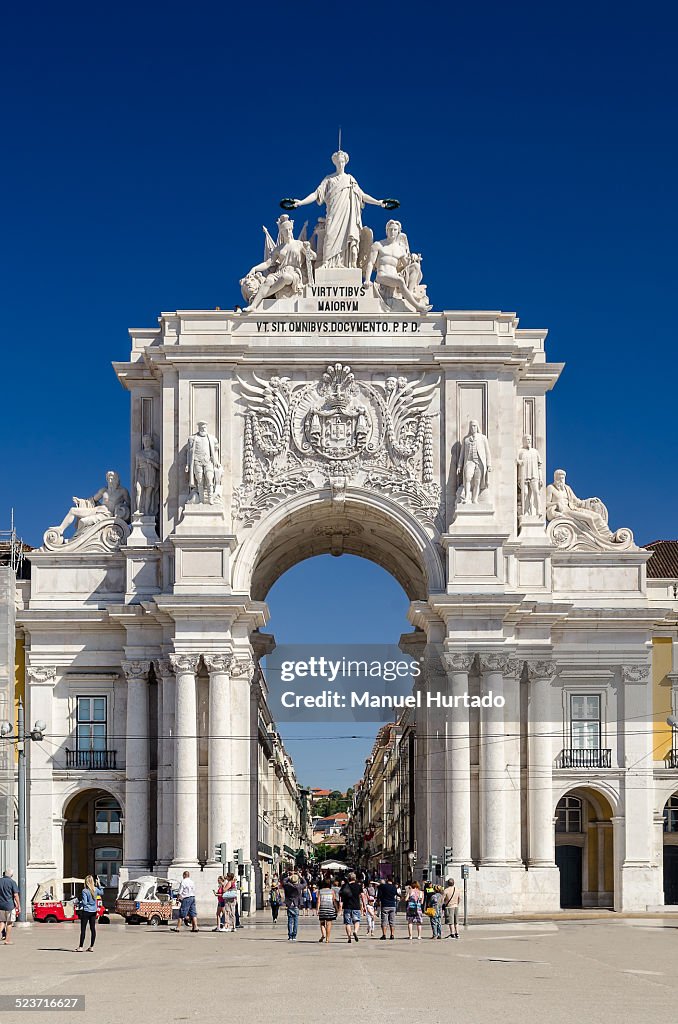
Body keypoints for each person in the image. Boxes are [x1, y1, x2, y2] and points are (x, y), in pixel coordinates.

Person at [288, 150, 390, 269]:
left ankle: (346, 264)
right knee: (330, 234)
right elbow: (316, 194)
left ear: (345, 163)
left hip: (347, 215)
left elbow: (362, 195)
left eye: (342, 161)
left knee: (348, 237)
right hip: (334, 213)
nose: (340, 164)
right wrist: (300, 202)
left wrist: (378, 202)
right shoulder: (329, 179)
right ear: (335, 163)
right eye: (338, 162)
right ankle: (327, 263)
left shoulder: (350, 179)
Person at [243, 215, 316, 310]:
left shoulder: (299, 244)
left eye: (289, 229)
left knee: (285, 277)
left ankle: (264, 295)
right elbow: (267, 263)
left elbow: (314, 257)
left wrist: (308, 249)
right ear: (281, 232)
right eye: (285, 230)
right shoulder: (278, 249)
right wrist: (254, 268)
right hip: (280, 271)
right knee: (268, 280)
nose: (288, 232)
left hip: (294, 272)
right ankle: (253, 306)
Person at [363, 219, 431, 312]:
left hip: (395, 276)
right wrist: (367, 280)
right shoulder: (378, 245)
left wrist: (414, 258)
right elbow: (370, 263)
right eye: (390, 229)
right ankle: (418, 306)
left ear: (398, 232)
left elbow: (407, 265)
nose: (392, 232)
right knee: (400, 281)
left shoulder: (400, 249)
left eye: (395, 230)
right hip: (382, 275)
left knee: (415, 266)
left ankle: (409, 292)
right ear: (386, 230)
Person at [54, 470, 131, 537]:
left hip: (107, 515)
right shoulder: (104, 490)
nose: (110, 481)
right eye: (108, 479)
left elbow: (129, 505)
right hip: (97, 510)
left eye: (112, 478)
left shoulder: (122, 491)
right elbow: (92, 500)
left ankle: (77, 539)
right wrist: (80, 501)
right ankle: (61, 529)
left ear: (116, 480)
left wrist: (121, 511)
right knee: (72, 510)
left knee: (83, 522)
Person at [457, 419, 492, 504]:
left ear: (477, 427)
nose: (473, 428)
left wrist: (489, 465)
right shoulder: (466, 439)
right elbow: (462, 454)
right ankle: (466, 497)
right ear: (470, 427)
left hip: (479, 462)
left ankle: (474, 499)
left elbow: (488, 452)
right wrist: (459, 466)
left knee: (477, 481)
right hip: (469, 462)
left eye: (475, 426)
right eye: (472, 426)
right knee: (467, 478)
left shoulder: (482, 438)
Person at [75, 875, 103, 952]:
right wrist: (99, 884)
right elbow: (102, 892)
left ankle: (80, 947)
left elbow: (84, 902)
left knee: (83, 929)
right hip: (93, 911)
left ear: (86, 882)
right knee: (92, 929)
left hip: (86, 911)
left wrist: (79, 903)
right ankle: (91, 946)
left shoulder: (85, 891)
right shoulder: (96, 889)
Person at [134, 434, 160, 516]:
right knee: (138, 491)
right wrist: (135, 480)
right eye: (144, 441)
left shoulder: (154, 453)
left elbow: (159, 466)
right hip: (141, 474)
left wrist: (150, 461)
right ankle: (138, 510)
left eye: (148, 440)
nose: (146, 442)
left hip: (151, 473)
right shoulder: (138, 454)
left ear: (151, 442)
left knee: (149, 494)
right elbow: (136, 468)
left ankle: (147, 511)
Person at [517, 434, 543, 517]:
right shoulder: (520, 451)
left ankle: (538, 510)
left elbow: (539, 466)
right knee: (525, 493)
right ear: (524, 441)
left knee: (536, 492)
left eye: (530, 439)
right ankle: (526, 511)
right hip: (523, 475)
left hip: (534, 475)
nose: (529, 441)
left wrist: (541, 478)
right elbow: (516, 460)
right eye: (527, 439)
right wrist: (518, 461)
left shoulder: (535, 451)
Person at [339, 871, 363, 944]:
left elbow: (341, 896)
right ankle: (355, 931)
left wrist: (340, 907)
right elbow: (362, 896)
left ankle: (349, 937)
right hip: (356, 906)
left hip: (347, 906)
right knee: (357, 921)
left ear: (348, 878)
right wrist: (363, 906)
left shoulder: (344, 886)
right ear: (355, 878)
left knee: (347, 923)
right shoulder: (358, 886)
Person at [282, 871, 305, 941]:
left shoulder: (287, 885)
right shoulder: (299, 886)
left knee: (290, 921)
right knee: (296, 921)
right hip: (296, 904)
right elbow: (305, 883)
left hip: (289, 904)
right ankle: (294, 936)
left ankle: (290, 935)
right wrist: (301, 877)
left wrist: (289, 877)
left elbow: (284, 881)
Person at [0, 868, 20, 945]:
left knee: (2, 922)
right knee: (9, 923)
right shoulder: (12, 882)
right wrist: (18, 905)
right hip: (9, 905)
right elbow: (15, 895)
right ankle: (7, 940)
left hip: (0, 905)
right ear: (11, 875)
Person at [317, 877, 338, 943]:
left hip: (322, 908)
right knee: (329, 924)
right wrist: (336, 909)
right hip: (330, 909)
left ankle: (323, 934)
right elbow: (334, 901)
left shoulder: (320, 891)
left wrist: (317, 909)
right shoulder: (332, 891)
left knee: (322, 923)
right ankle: (327, 939)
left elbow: (318, 901)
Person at [377, 876, 399, 941]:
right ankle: (392, 935)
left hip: (385, 905)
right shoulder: (394, 887)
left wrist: (378, 901)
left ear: (387, 879)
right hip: (392, 905)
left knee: (384, 921)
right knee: (392, 921)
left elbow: (379, 895)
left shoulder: (383, 886)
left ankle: (384, 935)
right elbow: (396, 894)